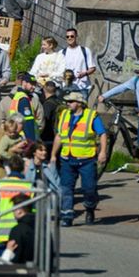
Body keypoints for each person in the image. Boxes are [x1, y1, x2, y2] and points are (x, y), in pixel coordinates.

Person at [51, 91, 107, 226]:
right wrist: (53, 155)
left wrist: (102, 152)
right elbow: (59, 136)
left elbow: (102, 134)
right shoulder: (64, 115)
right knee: (66, 188)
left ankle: (90, 208)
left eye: (71, 101)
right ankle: (67, 216)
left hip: (86, 159)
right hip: (67, 159)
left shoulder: (91, 116)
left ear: (80, 103)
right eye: (67, 101)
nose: (67, 104)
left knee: (89, 188)